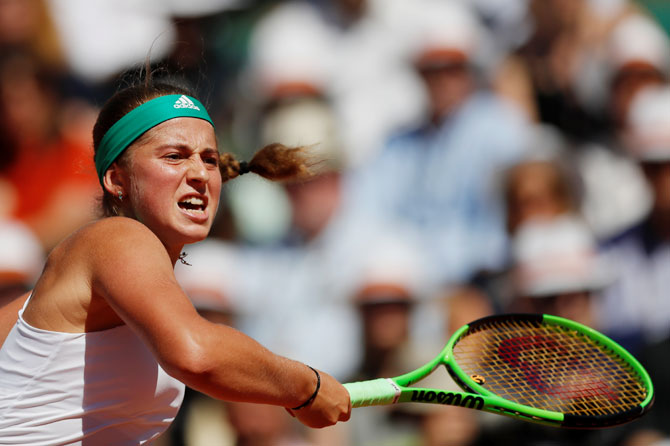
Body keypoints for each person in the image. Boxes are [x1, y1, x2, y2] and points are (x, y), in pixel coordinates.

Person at [0, 78, 351, 444]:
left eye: (209, 159)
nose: (200, 174)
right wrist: (306, 386)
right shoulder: (118, 237)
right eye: (174, 156)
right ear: (116, 178)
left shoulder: (82, 279)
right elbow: (197, 353)